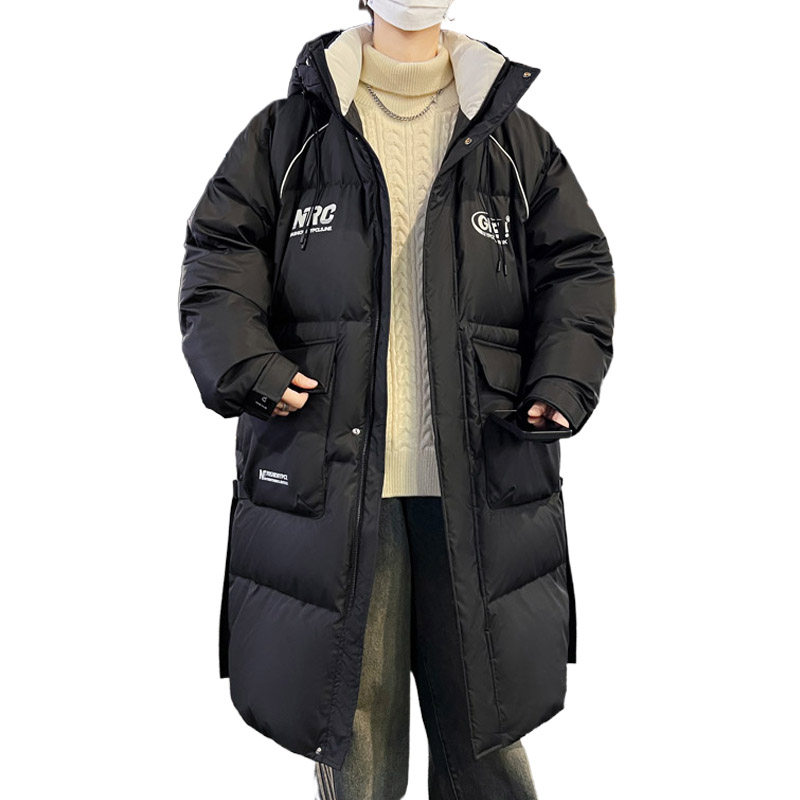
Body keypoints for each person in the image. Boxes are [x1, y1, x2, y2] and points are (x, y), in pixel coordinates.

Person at [178, 1, 615, 798]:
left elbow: (577, 268)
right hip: (334, 473)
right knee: (356, 733)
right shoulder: (287, 135)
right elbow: (217, 259)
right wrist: (252, 367)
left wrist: (561, 379)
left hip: (481, 468)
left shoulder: (514, 140)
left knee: (488, 733)